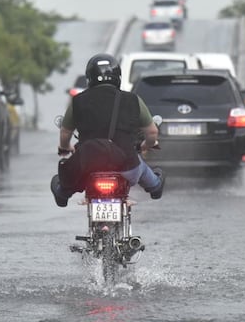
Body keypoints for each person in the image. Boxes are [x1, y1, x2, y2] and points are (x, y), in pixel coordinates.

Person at [50, 53, 165, 207]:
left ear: (89, 77)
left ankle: (63, 194)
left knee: (65, 182)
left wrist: (65, 147)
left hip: (88, 168)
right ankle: (155, 187)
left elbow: (65, 132)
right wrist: (146, 145)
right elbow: (152, 133)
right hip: (127, 167)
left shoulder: (78, 101)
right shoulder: (133, 100)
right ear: (118, 76)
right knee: (142, 168)